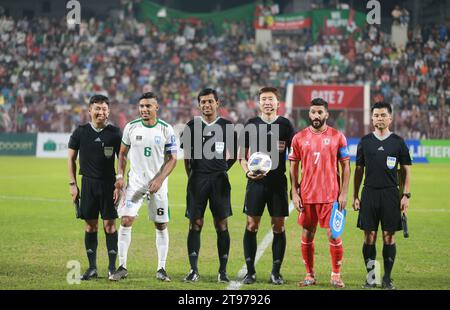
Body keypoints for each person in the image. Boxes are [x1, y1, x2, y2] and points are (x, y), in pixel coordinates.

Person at [109, 92, 177, 282]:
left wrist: (160, 179)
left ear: (156, 108)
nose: (144, 109)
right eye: (141, 106)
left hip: (158, 185)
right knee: (126, 220)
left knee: (161, 224)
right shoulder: (131, 127)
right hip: (135, 184)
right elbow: (122, 154)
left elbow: (173, 159)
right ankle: (122, 266)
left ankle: (161, 268)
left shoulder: (166, 129)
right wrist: (120, 176)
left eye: (148, 106)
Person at [289, 98, 351, 288]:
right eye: (313, 112)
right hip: (307, 196)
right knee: (307, 235)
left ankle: (336, 275)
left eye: (320, 112)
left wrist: (344, 193)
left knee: (334, 235)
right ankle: (310, 275)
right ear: (309, 114)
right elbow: (293, 166)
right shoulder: (298, 138)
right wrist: (294, 191)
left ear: (326, 114)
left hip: (331, 196)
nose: (316, 115)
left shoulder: (337, 136)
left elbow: (346, 166)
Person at [180, 88, 237, 283]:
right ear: (199, 105)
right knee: (195, 223)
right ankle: (193, 270)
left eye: (210, 101)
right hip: (197, 180)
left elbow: (235, 155)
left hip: (219, 180)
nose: (206, 105)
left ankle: (222, 271)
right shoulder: (191, 126)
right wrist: (193, 177)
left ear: (217, 103)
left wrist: (221, 169)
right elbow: (186, 158)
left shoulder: (227, 127)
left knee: (221, 223)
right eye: (203, 102)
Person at [353, 101, 411, 289]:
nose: (379, 118)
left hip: (390, 194)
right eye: (376, 115)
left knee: (389, 237)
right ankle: (371, 277)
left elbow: (405, 171)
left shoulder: (398, 142)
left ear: (390, 118)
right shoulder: (365, 141)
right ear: (372, 118)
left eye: (383, 115)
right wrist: (355, 195)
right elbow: (359, 170)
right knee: (369, 236)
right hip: (369, 193)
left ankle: (386, 278)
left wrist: (406, 196)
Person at [239, 87, 295, 285]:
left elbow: (294, 157)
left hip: (278, 183)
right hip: (255, 183)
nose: (267, 102)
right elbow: (241, 156)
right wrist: (247, 171)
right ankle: (250, 272)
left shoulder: (286, 125)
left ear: (278, 103)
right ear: (259, 103)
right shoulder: (251, 124)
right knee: (252, 225)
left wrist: (295, 186)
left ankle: (276, 272)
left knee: (278, 226)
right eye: (263, 99)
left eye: (271, 99)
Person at [68, 94, 122, 280]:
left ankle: (112, 268)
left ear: (108, 111)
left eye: (104, 109)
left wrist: (119, 183)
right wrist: (73, 184)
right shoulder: (80, 132)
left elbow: (121, 159)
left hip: (109, 184)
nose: (101, 112)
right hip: (88, 184)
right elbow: (71, 159)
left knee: (109, 225)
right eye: (97, 108)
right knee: (90, 226)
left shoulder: (115, 133)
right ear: (90, 110)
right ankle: (92, 268)